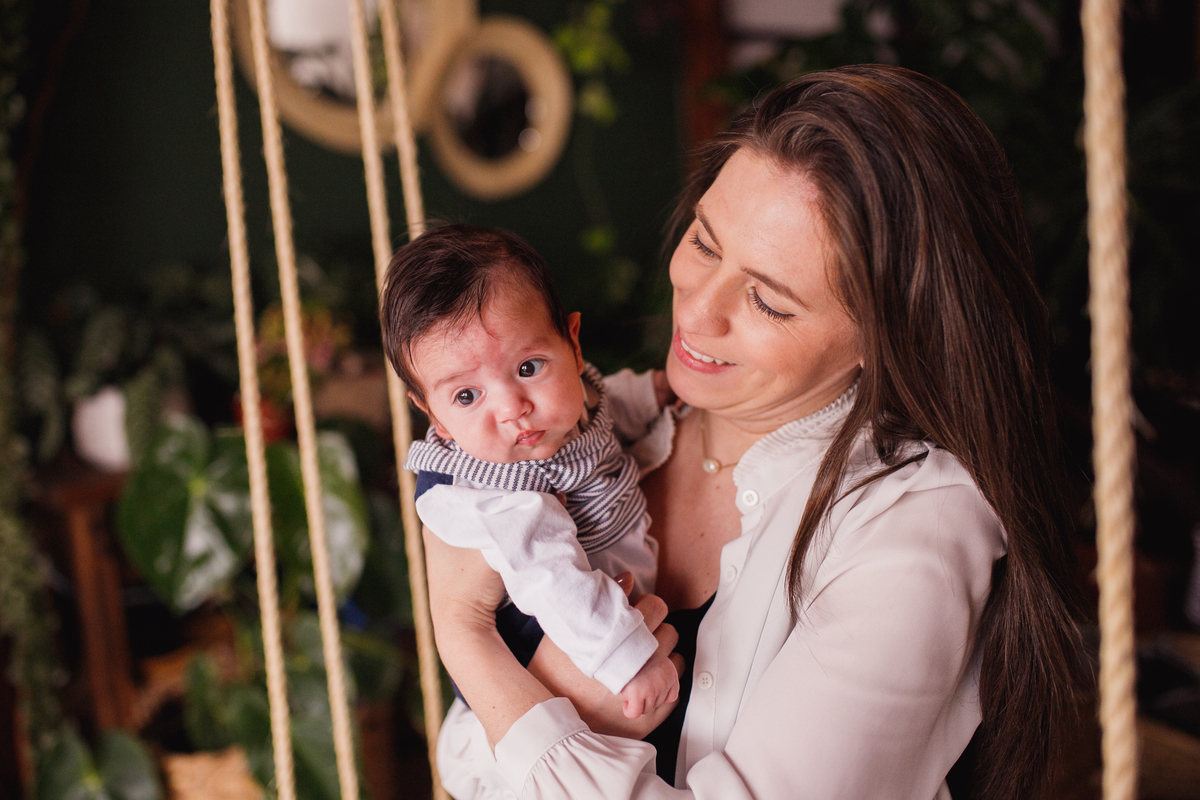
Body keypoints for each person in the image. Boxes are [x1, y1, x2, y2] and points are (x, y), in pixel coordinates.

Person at [422, 64, 1086, 800]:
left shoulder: (912, 530)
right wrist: (545, 701)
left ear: (885, 333)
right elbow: (463, 766)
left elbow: (481, 743)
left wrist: (471, 644)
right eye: (705, 244)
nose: (698, 312)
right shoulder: (609, 431)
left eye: (768, 301)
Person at [380, 224, 680, 720]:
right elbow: (553, 580)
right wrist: (629, 662)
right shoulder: (495, 492)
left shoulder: (573, 398)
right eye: (466, 396)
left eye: (528, 368)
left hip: (621, 605)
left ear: (573, 346)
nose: (512, 408)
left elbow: (609, 404)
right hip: (545, 654)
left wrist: (655, 390)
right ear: (432, 414)